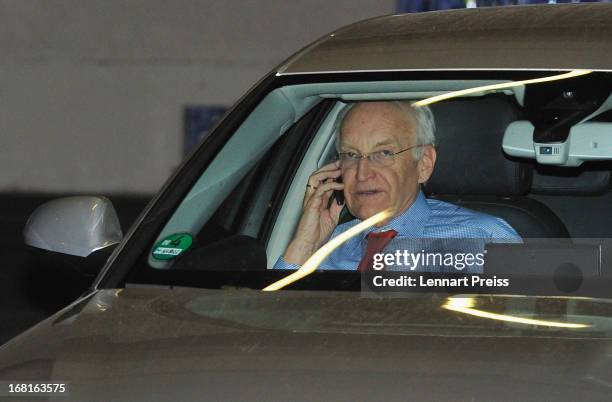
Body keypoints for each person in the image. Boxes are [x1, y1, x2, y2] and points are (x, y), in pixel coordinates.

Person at [274, 101, 520, 271]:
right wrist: (305, 246)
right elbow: (269, 332)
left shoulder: (485, 239)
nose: (362, 173)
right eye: (351, 155)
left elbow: (532, 334)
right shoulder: (323, 248)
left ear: (423, 164)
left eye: (383, 153)